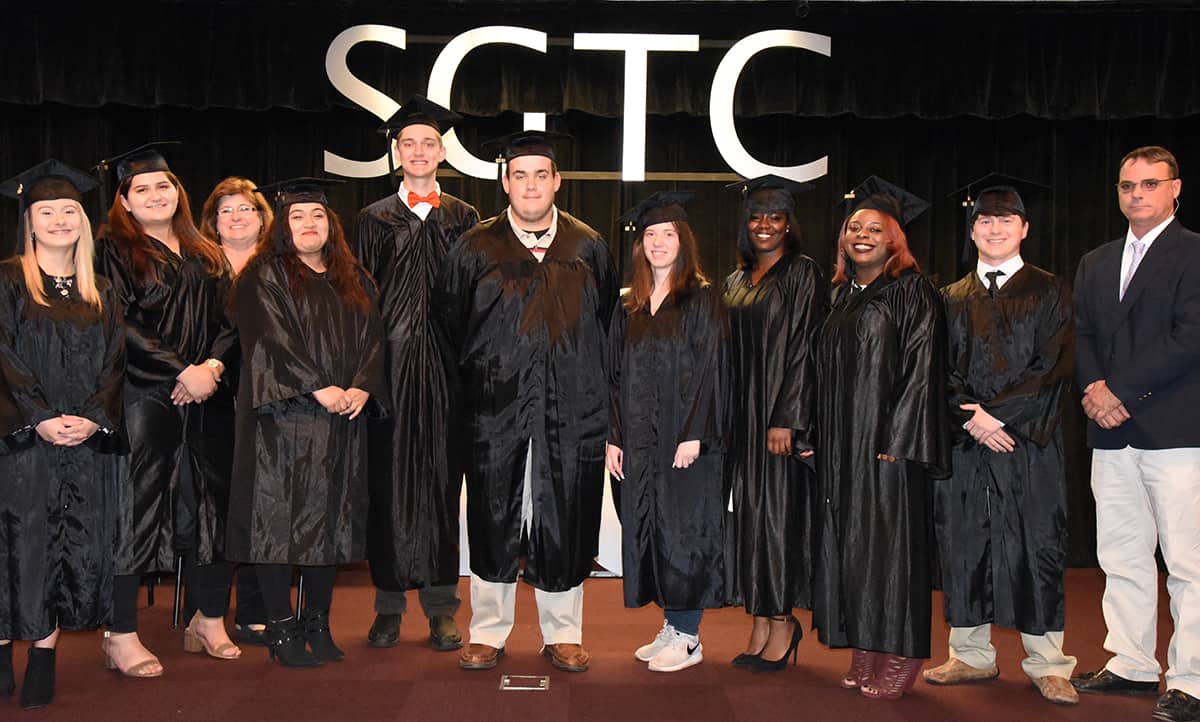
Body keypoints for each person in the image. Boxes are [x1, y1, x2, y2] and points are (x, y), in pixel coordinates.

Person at [435, 130, 619, 673]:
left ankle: (562, 632)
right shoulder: (474, 247)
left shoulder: (588, 246)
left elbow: (607, 325)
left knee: (564, 512)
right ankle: (488, 631)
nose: (531, 184)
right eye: (520, 174)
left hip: (571, 408)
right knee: (493, 514)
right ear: (504, 182)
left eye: (542, 174)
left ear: (557, 181)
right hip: (493, 408)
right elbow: (448, 327)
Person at [928, 175, 1078, 705]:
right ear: (972, 232)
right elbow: (936, 372)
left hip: (1028, 443)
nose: (994, 229)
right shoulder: (949, 298)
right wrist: (971, 420)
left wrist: (1000, 419)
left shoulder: (1050, 288)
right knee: (965, 542)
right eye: (985, 221)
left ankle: (1049, 663)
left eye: (1005, 220)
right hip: (968, 443)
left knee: (1036, 543)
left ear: (1024, 228)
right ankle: (970, 655)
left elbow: (1054, 366)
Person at [225, 178, 385, 668]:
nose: (309, 224)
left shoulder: (352, 276)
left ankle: (318, 622)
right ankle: (280, 629)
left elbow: (374, 336)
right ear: (282, 226)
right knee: (276, 524)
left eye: (317, 215)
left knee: (330, 522)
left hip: (339, 419)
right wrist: (320, 387)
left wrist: (362, 384)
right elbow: (271, 338)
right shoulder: (263, 275)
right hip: (282, 419)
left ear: (330, 224)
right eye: (297, 216)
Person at [94, 143, 239, 676]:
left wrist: (212, 369)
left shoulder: (205, 250)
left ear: (178, 191)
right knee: (137, 510)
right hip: (144, 395)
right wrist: (181, 372)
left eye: (164, 185)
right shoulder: (114, 250)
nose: (157, 194)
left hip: (208, 394)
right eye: (143, 188)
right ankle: (121, 632)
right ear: (125, 202)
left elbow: (232, 320)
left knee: (211, 504)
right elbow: (120, 323)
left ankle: (207, 617)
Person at [1070, 145, 1200, 722]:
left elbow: (1188, 337)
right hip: (1110, 432)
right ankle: (1131, 662)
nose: (1137, 195)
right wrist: (1095, 390)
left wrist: (1117, 392)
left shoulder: (1194, 254)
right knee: (1120, 555)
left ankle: (1193, 679)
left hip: (1175, 429)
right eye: (1127, 185)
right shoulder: (1096, 260)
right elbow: (1085, 335)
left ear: (1176, 188)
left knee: (1188, 562)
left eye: (1150, 184)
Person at [812, 176, 950, 700]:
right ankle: (868, 644)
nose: (862, 235)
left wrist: (902, 438)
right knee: (855, 547)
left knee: (894, 552)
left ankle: (903, 653)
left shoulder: (913, 292)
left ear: (895, 239)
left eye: (875, 228)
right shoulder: (842, 295)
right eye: (854, 228)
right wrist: (814, 434)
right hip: (845, 447)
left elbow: (923, 369)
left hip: (891, 447)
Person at [353, 96, 479, 652]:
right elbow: (357, 302)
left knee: (441, 486)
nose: (420, 151)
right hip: (390, 373)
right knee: (387, 487)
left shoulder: (465, 217)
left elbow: (477, 300)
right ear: (396, 152)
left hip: (450, 374)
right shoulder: (372, 219)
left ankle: (440, 606)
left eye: (429, 142)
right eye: (410, 143)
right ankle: (387, 606)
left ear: (442, 151)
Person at [0, 161, 125, 709]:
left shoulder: (100, 290)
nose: (58, 220)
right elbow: (1, 355)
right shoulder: (6, 279)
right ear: (28, 222)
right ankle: (3, 649)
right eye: (46, 211)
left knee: (68, 545)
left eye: (68, 211)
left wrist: (95, 417)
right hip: (20, 441)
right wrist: (38, 415)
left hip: (82, 444)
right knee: (16, 545)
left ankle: (44, 655)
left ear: (82, 221)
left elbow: (116, 364)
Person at [606, 192, 728, 673]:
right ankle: (673, 627)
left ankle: (690, 636)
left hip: (684, 444)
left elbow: (712, 372)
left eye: (668, 234)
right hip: (639, 442)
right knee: (653, 532)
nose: (658, 242)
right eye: (650, 234)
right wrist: (614, 436)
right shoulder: (629, 307)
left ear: (684, 242)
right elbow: (614, 376)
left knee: (685, 532)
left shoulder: (702, 299)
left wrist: (695, 434)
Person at [721, 176, 827, 672]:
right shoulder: (737, 280)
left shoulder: (802, 274)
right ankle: (760, 620)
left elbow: (807, 348)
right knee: (751, 522)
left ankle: (783, 623)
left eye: (775, 217)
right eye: (757, 217)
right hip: (743, 421)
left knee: (778, 520)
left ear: (789, 223)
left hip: (777, 423)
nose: (765, 225)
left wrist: (788, 416)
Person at [198, 177, 274, 645]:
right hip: (214, 402)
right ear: (213, 221)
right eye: (226, 211)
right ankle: (205, 613)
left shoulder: (281, 268)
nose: (237, 217)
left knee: (264, 502)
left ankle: (253, 609)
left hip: (268, 399)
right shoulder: (197, 270)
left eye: (246, 209)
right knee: (220, 506)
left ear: (263, 218)